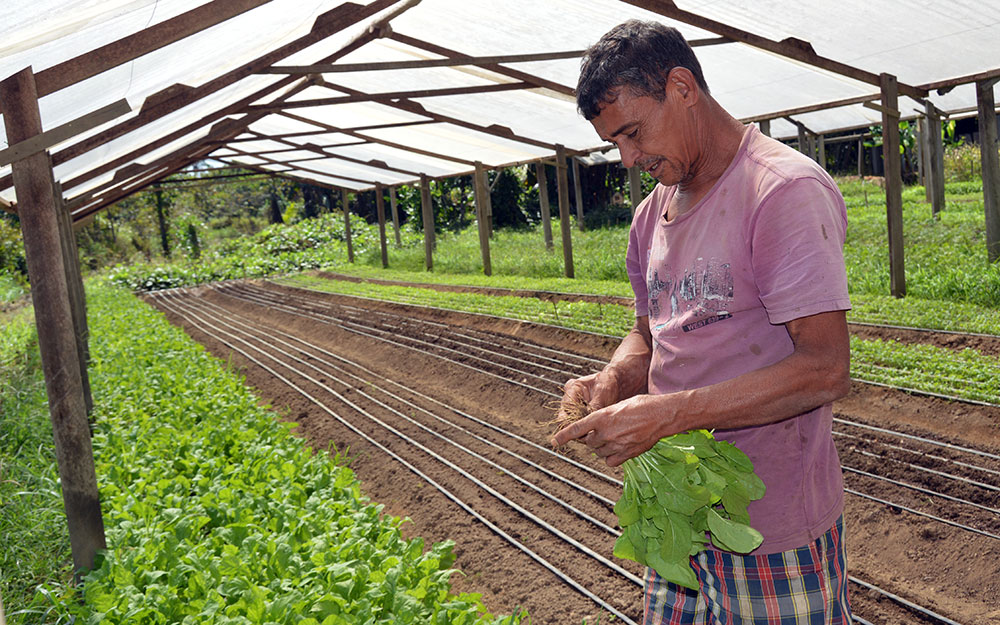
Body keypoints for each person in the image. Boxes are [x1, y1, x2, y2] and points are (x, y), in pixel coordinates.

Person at [551, 19, 854, 624]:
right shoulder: (650, 215)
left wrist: (668, 414)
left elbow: (825, 370)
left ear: (682, 88)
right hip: (679, 521)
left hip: (770, 527)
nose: (629, 158)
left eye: (633, 134)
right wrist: (615, 378)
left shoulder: (780, 192)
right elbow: (650, 328)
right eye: (615, 143)